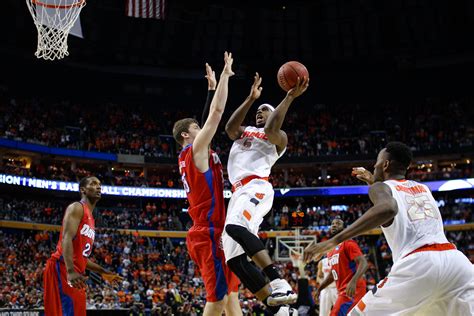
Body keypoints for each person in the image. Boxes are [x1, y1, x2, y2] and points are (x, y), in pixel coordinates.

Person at [304, 142, 474, 315]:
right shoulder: (423, 188)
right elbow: (397, 194)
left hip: (419, 264)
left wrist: (332, 242)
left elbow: (388, 207)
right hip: (457, 265)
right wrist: (372, 180)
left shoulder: (381, 188)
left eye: (377, 161)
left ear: (385, 164)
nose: (375, 165)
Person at [222, 72, 309, 315]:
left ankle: (278, 281)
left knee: (235, 227)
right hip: (237, 192)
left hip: (256, 187)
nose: (260, 112)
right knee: (234, 260)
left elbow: (272, 127)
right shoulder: (245, 131)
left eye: (265, 110)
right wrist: (251, 99)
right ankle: (280, 310)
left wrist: (289, 97)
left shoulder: (278, 137)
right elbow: (229, 128)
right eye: (258, 111)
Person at [173, 52, 241, 316]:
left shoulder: (196, 150)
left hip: (216, 232)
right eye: (196, 127)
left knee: (232, 296)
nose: (202, 128)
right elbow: (216, 114)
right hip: (207, 234)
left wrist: (211, 88)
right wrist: (225, 76)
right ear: (186, 135)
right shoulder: (195, 151)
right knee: (218, 299)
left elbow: (206, 117)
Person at [43, 176, 123, 315]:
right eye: (93, 184)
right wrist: (70, 271)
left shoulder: (91, 218)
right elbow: (66, 238)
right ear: (83, 190)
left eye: (99, 184)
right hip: (61, 267)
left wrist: (103, 271)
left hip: (75, 270)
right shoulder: (77, 207)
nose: (98, 187)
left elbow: (81, 257)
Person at [315, 218, 368, 316]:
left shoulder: (349, 243)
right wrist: (320, 288)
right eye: (332, 223)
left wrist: (353, 281)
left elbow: (363, 263)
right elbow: (333, 274)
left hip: (353, 290)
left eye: (338, 223)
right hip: (342, 291)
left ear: (343, 228)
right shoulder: (330, 251)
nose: (334, 225)